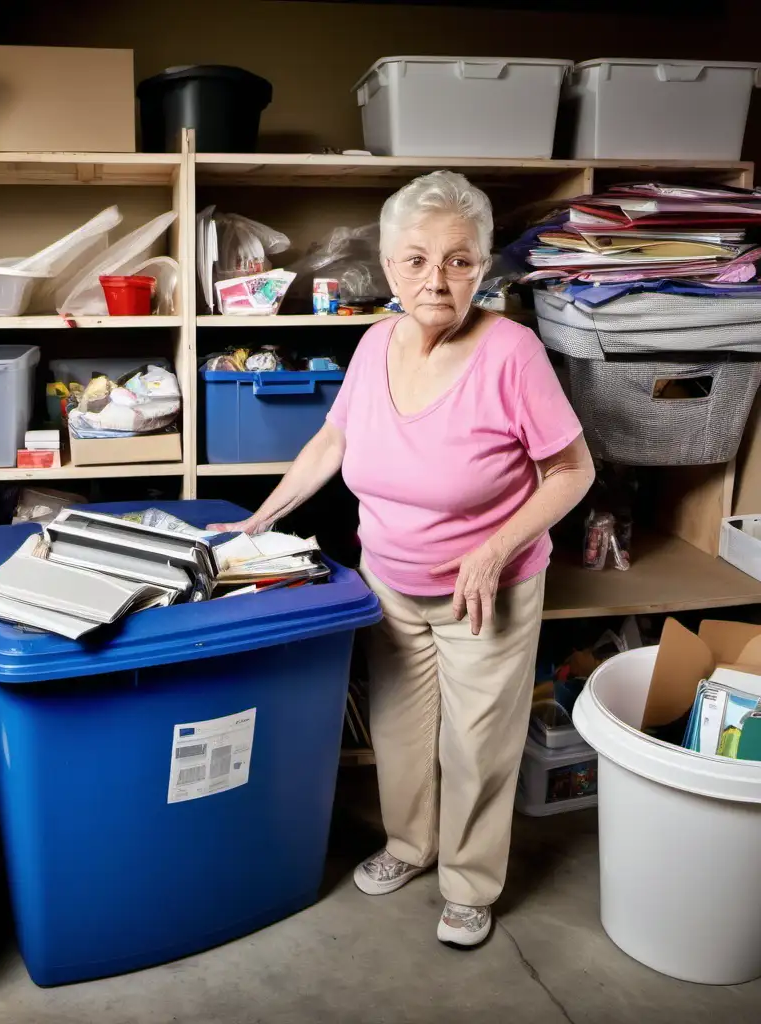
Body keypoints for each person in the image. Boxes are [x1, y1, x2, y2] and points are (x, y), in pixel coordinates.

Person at [210, 171, 595, 947]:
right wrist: (261, 518)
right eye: (417, 259)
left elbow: (573, 472)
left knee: (476, 743)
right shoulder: (373, 342)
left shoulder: (511, 352)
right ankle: (410, 847)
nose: (438, 278)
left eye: (459, 260)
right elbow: (333, 441)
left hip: (487, 587)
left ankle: (470, 881)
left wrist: (493, 551)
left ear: (483, 266)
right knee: (399, 730)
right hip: (388, 578)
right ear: (389, 267)